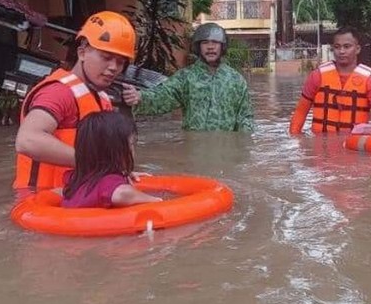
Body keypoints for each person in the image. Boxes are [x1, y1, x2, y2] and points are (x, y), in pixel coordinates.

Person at [14, 11, 138, 191]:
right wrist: (95, 163)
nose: (113, 68)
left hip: (76, 198)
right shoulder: (58, 93)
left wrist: (118, 172)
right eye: (106, 57)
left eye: (120, 62)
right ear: (82, 53)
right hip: (41, 202)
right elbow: (27, 140)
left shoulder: (102, 98)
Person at [125, 22, 254, 132]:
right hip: (194, 150)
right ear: (198, 47)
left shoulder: (236, 81)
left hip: (225, 151)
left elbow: (245, 118)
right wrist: (140, 97)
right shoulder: (186, 77)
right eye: (205, 42)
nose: (210, 47)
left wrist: (242, 150)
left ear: (222, 46)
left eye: (215, 42)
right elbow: (163, 96)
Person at [289, 26, 371, 135]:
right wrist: (295, 138)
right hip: (320, 146)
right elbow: (300, 112)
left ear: (357, 49)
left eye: (347, 46)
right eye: (337, 47)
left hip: (352, 145)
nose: (341, 51)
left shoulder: (370, 81)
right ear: (333, 49)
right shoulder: (317, 76)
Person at [62, 112, 161, 208]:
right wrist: (154, 200)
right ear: (115, 151)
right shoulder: (108, 182)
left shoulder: (74, 178)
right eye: (131, 144)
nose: (133, 149)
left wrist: (125, 173)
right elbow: (122, 194)